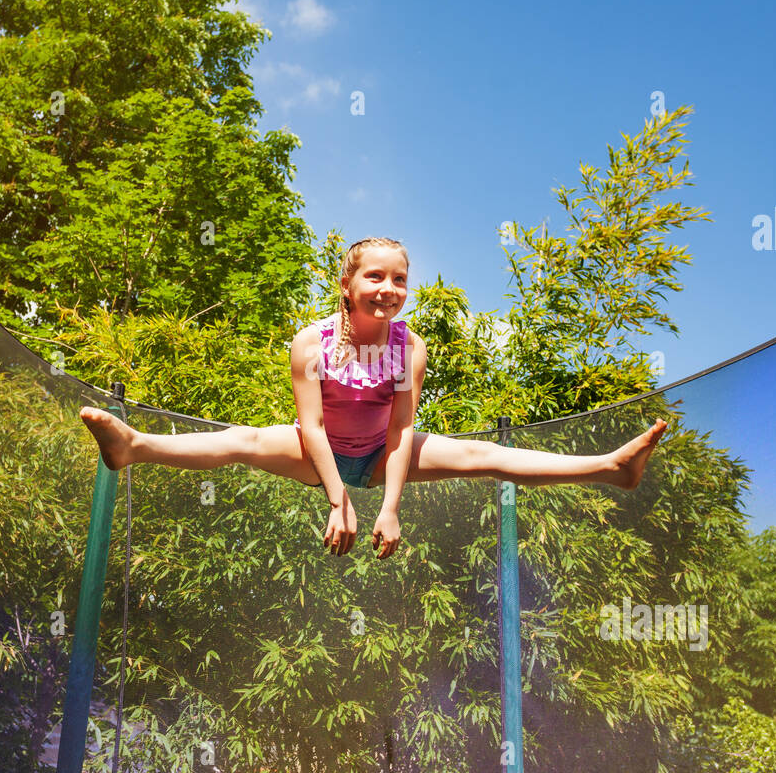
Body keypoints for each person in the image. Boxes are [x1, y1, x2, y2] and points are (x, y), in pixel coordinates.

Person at [80, 237, 667, 560]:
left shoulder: (410, 348)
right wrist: (339, 499)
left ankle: (611, 469)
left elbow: (401, 431)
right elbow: (310, 428)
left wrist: (388, 507)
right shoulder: (313, 342)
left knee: (480, 454)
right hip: (322, 453)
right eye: (375, 277)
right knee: (246, 440)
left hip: (384, 454)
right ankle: (133, 446)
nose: (388, 290)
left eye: (399, 279)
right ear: (347, 284)